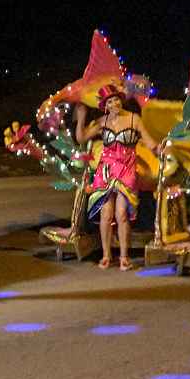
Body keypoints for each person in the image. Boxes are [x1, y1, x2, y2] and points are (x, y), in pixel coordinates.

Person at [75, 84, 158, 271]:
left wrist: (162, 148)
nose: (114, 103)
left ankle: (124, 256)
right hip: (106, 171)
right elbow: (81, 138)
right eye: (110, 101)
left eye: (116, 99)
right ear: (105, 105)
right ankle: (106, 255)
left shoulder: (133, 119)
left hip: (127, 170)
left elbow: (150, 142)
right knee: (106, 214)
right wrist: (81, 117)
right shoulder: (101, 122)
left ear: (121, 100)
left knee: (121, 214)